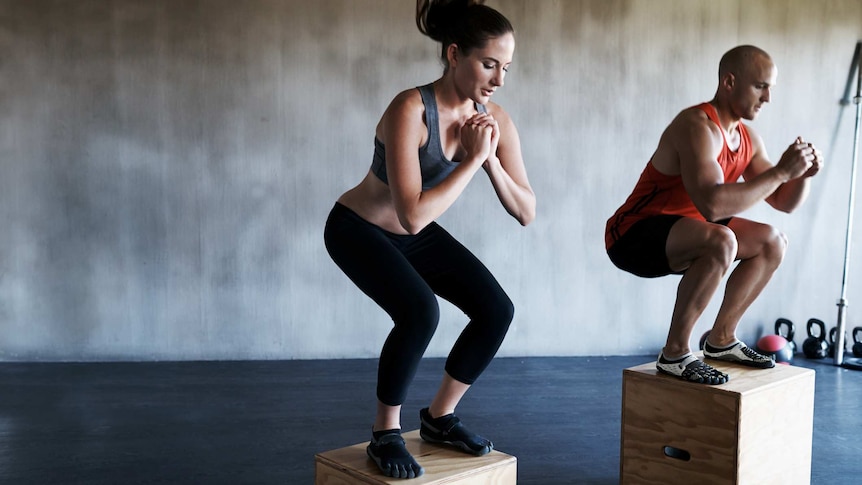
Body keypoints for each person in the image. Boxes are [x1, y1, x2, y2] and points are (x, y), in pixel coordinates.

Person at [323, 0, 534, 479]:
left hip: (412, 232)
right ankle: (386, 434)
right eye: (488, 64)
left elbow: (526, 210)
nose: (499, 79)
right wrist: (471, 161)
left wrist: (491, 159)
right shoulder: (411, 109)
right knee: (420, 311)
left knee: (496, 309)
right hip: (357, 228)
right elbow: (413, 215)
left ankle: (439, 419)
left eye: (506, 68)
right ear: (455, 54)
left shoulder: (494, 120)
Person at [605, 45, 823, 385]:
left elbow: (783, 201)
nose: (767, 97)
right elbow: (713, 205)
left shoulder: (747, 137)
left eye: (770, 88)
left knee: (772, 242)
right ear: (729, 82)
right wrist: (782, 172)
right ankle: (675, 353)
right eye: (760, 86)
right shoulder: (697, 126)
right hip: (633, 235)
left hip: (689, 230)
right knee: (722, 241)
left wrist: (801, 174)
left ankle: (721, 339)